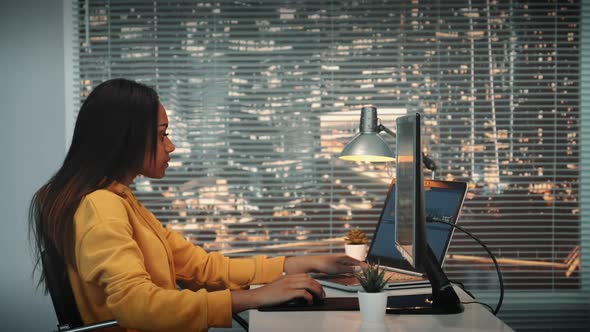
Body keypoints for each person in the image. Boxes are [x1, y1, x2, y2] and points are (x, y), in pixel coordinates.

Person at [29, 78, 359, 331]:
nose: (170, 146)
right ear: (126, 139)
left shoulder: (120, 199)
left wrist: (297, 264)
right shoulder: (102, 207)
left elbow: (202, 267)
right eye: (161, 135)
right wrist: (253, 297)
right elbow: (136, 305)